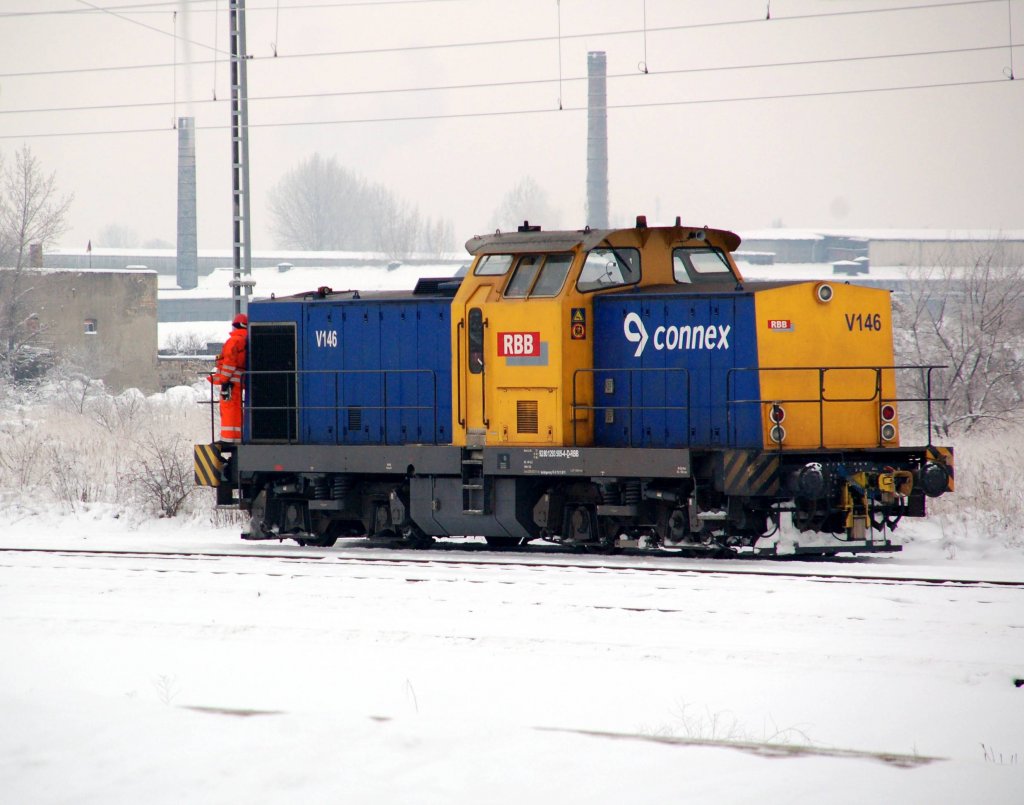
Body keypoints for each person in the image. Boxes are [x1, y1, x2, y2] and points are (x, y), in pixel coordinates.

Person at [208, 312, 248, 445]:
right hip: (239, 379)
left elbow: (229, 361)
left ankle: (228, 439)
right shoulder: (246, 340)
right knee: (236, 408)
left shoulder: (234, 340)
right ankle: (237, 437)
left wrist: (224, 380)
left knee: (228, 408)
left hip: (231, 381)